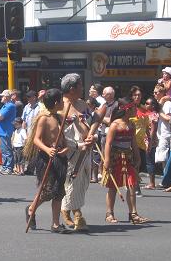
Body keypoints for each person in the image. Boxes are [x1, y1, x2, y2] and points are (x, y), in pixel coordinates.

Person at [60, 73, 104, 232]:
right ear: (72, 89)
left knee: (83, 182)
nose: (82, 88)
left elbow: (91, 122)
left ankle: (70, 208)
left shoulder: (83, 105)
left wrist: (93, 135)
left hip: (86, 148)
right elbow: (58, 133)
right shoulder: (60, 106)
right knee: (72, 182)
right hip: (70, 150)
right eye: (80, 85)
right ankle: (73, 212)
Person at [23, 88, 71, 233]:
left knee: (59, 192)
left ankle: (55, 224)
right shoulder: (43, 118)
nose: (63, 103)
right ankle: (31, 209)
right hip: (46, 158)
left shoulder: (60, 118)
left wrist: (65, 149)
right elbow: (36, 140)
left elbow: (63, 139)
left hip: (60, 158)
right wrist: (47, 149)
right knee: (47, 190)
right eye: (61, 100)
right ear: (56, 102)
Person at [102, 97, 148, 224]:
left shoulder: (131, 124)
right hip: (115, 159)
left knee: (132, 185)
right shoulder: (115, 125)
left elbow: (133, 143)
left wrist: (138, 158)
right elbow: (108, 144)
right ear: (127, 109)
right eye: (133, 108)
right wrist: (106, 160)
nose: (135, 110)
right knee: (112, 187)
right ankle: (109, 213)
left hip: (128, 159)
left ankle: (133, 213)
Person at [129, 86, 149, 196]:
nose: (137, 97)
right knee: (134, 165)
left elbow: (146, 126)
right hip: (130, 141)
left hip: (141, 142)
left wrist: (149, 140)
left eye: (139, 95)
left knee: (138, 164)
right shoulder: (127, 108)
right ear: (131, 96)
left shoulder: (143, 109)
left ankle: (132, 183)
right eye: (135, 95)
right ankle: (136, 187)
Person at [0, 89, 17, 175]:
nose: (1, 98)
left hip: (6, 130)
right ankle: (5, 167)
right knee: (4, 150)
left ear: (6, 97)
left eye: (2, 96)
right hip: (2, 131)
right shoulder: (5, 106)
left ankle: (8, 167)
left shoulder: (10, 106)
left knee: (7, 150)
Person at [153, 83, 171, 173]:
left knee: (165, 158)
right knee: (162, 158)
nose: (154, 94)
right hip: (160, 133)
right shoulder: (159, 103)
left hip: (166, 133)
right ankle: (166, 179)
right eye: (154, 92)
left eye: (156, 92)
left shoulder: (168, 104)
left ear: (162, 93)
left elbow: (170, 118)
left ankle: (167, 180)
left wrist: (159, 112)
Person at [22, 90, 40, 175]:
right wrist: (23, 132)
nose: (28, 99)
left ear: (34, 97)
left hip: (36, 133)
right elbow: (24, 121)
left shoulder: (40, 107)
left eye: (29, 97)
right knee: (29, 151)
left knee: (36, 151)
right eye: (27, 97)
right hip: (28, 132)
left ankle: (33, 168)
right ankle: (30, 168)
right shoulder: (26, 107)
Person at [144, 97, 160, 189]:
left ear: (153, 106)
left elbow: (153, 131)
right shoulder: (148, 114)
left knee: (149, 161)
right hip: (146, 140)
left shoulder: (153, 115)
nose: (146, 105)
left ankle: (152, 183)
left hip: (149, 140)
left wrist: (150, 142)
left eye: (147, 103)